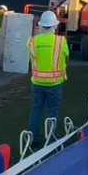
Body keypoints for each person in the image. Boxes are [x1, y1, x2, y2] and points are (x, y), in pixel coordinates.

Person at [28, 11, 69, 144]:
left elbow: (32, 59)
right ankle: (52, 138)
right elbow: (66, 57)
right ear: (55, 26)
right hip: (55, 83)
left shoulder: (32, 41)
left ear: (40, 26)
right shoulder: (60, 41)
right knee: (53, 111)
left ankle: (33, 138)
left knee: (36, 110)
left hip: (37, 82)